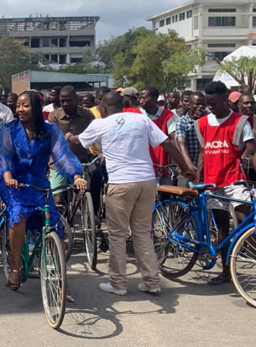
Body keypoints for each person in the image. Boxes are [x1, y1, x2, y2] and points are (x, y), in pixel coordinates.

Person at [79, 91, 195, 295]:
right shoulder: (141, 119)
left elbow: (79, 142)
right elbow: (167, 143)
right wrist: (185, 167)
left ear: (103, 107)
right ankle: (151, 281)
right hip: (147, 181)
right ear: (122, 105)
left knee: (117, 235)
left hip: (121, 183)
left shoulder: (100, 124)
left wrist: (69, 137)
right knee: (142, 232)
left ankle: (118, 284)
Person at [0, 90, 85, 291]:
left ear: (35, 108)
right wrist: (7, 176)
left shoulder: (51, 131)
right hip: (14, 184)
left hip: (38, 184)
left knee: (55, 226)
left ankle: (62, 277)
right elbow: (3, 155)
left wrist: (76, 176)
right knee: (18, 216)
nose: (20, 109)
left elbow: (62, 156)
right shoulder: (10, 129)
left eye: (25, 105)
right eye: (18, 105)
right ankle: (15, 268)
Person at [194, 81, 256, 286]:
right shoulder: (202, 123)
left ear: (226, 98)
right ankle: (226, 272)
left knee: (246, 226)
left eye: (214, 102)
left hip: (234, 181)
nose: (210, 107)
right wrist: (196, 181)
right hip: (212, 184)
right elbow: (203, 154)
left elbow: (254, 152)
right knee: (222, 229)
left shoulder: (240, 122)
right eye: (207, 103)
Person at [51, 86, 103, 215]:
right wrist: (66, 138)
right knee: (58, 198)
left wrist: (102, 150)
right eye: (62, 101)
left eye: (68, 100)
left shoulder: (87, 115)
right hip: (59, 162)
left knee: (95, 179)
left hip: (82, 160)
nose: (65, 104)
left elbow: (97, 134)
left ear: (77, 99)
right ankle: (57, 227)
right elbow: (51, 139)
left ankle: (94, 215)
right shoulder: (55, 116)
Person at [138, 86, 178, 182]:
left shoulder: (168, 115)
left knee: (166, 193)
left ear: (155, 98)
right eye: (140, 98)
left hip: (163, 166)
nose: (140, 101)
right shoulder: (136, 115)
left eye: (144, 98)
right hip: (142, 167)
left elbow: (174, 138)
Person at [174, 91, 205, 183]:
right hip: (187, 168)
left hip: (205, 168)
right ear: (190, 105)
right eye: (197, 104)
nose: (200, 107)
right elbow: (181, 144)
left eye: (203, 104)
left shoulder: (208, 120)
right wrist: (188, 164)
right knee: (185, 193)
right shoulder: (182, 121)